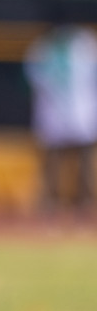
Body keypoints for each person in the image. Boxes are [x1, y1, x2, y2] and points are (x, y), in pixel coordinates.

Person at [23, 24, 97, 214]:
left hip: (81, 114)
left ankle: (85, 204)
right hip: (54, 115)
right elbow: (34, 78)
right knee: (52, 163)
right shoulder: (42, 49)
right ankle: (51, 203)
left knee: (84, 163)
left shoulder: (86, 46)